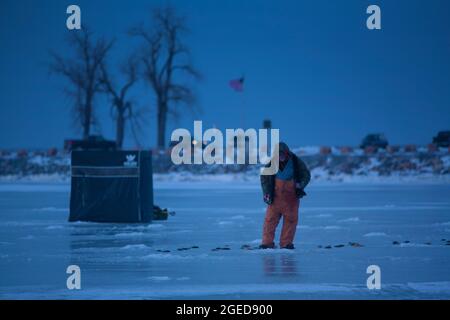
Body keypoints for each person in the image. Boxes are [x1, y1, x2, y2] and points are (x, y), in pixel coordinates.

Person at [260, 142, 311, 249]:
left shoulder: (296, 162)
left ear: (287, 153)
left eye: (282, 154)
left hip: (291, 199)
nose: (280, 156)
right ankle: (266, 243)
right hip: (275, 198)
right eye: (278, 155)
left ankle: (286, 243)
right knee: (270, 220)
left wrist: (301, 185)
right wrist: (266, 193)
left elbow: (306, 175)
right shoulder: (271, 163)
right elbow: (264, 178)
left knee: (290, 221)